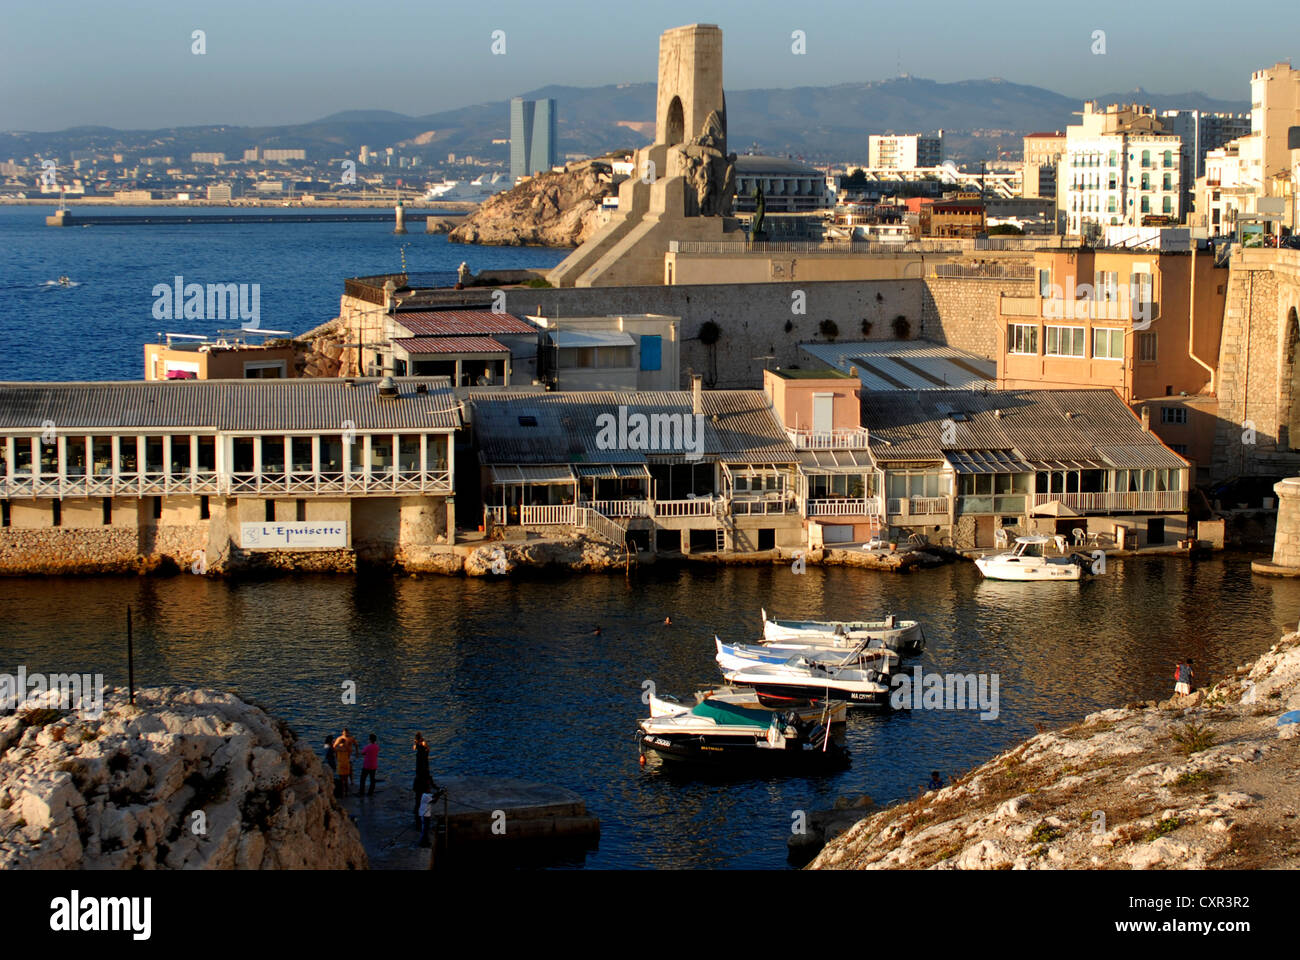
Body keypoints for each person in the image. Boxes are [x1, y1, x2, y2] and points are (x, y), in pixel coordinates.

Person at [413, 732, 431, 827]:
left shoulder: (421, 751)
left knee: (419, 802)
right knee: (422, 803)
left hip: (421, 779)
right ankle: (421, 821)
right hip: (423, 778)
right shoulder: (423, 751)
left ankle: (418, 822)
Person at [333, 729, 358, 795]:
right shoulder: (348, 749)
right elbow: (351, 750)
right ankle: (346, 792)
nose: (346, 734)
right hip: (346, 762)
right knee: (346, 779)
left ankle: (343, 792)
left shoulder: (338, 749)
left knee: (342, 779)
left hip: (341, 763)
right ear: (342, 733)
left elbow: (334, 748)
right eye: (345, 733)